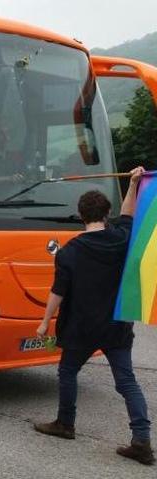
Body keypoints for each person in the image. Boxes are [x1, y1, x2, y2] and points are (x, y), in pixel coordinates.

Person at [33, 166, 153, 466]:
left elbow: (57, 292)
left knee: (68, 372)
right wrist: (134, 185)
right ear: (106, 212)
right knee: (126, 381)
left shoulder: (69, 252)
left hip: (80, 328)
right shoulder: (122, 238)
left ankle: (65, 423)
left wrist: (45, 321)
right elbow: (128, 214)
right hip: (116, 325)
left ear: (81, 215)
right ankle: (142, 440)